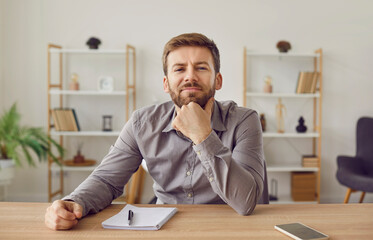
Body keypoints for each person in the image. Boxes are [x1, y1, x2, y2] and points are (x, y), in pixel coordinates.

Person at [45, 33, 267, 230]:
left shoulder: (244, 120)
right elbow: (107, 180)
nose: (190, 76)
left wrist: (203, 136)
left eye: (201, 68)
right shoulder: (142, 122)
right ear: (166, 83)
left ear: (217, 80)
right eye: (179, 69)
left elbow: (246, 202)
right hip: (163, 228)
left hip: (229, 228)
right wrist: (75, 202)